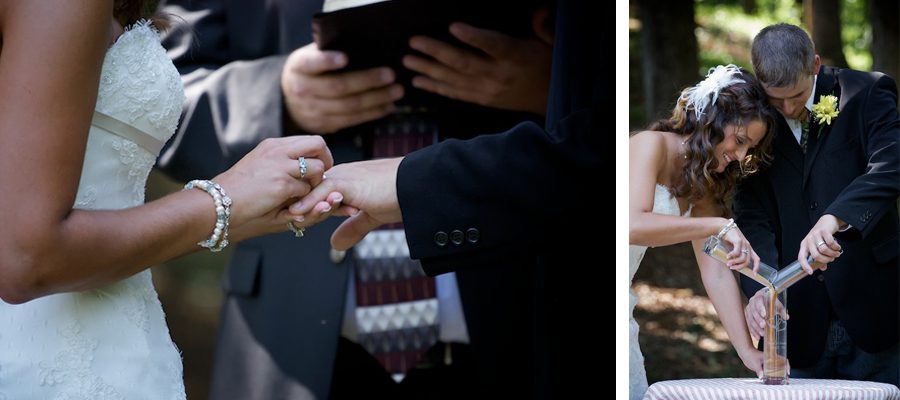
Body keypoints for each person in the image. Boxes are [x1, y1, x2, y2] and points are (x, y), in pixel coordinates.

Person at [156, 0, 554, 398]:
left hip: (523, 320)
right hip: (291, 336)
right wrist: (275, 98)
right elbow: (154, 101)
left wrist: (553, 85)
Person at [0, 1, 337, 398]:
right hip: (47, 363)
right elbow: (26, 256)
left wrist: (243, 210)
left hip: (115, 343)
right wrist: (222, 200)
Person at [289, 0, 601, 396]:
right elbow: (186, 85)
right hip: (299, 336)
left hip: (525, 312)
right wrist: (279, 96)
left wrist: (556, 86)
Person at [735, 23, 899, 386]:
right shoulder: (750, 114)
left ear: (816, 65)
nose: (788, 108)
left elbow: (891, 167)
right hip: (795, 321)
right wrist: (761, 283)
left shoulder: (867, 92)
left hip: (874, 306)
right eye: (775, 100)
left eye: (796, 95)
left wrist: (835, 218)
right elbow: (750, 212)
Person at [628, 64, 777, 399]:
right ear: (713, 121)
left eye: (748, 148)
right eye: (739, 140)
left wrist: (747, 351)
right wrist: (718, 225)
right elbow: (631, 227)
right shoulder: (649, 145)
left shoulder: (702, 185)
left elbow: (718, 275)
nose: (740, 155)